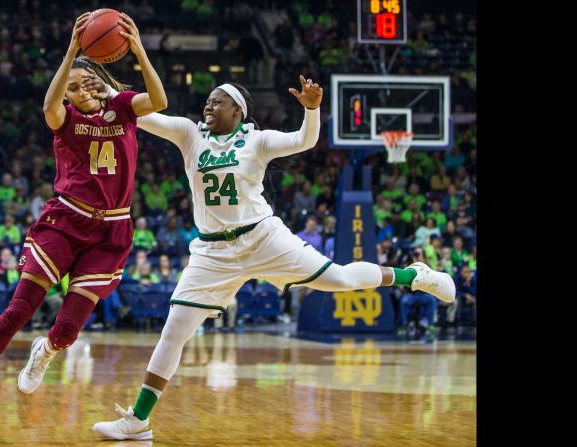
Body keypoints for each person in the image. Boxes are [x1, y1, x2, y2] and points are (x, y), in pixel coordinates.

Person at [86, 74, 456, 440]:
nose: (208, 106)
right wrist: (106, 89)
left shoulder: (256, 140)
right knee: (173, 332)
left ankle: (414, 276)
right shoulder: (189, 133)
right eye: (208, 101)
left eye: (218, 101)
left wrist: (312, 110)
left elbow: (304, 139)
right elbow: (140, 114)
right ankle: (138, 420)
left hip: (262, 237)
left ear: (238, 112)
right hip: (213, 251)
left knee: (340, 280)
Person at [0, 11, 167, 427]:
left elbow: (160, 101)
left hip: (111, 231)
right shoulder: (65, 120)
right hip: (65, 220)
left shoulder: (124, 108)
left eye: (84, 81)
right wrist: (72, 52)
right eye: (71, 88)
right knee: (20, 306)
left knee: (66, 331)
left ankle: (46, 352)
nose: (79, 91)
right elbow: (49, 104)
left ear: (100, 79)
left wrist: (139, 51)